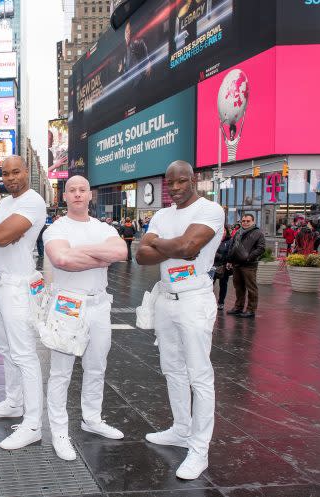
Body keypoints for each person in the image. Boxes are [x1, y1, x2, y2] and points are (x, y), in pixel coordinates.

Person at [135, 160, 224, 480]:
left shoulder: (210, 210)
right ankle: (181, 428)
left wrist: (157, 243)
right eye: (169, 183)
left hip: (194, 300)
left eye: (181, 181)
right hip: (166, 299)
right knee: (171, 368)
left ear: (194, 179)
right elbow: (141, 256)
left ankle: (199, 449)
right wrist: (167, 247)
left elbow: (189, 247)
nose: (174, 188)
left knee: (199, 376)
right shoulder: (161, 214)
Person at [44, 176, 128, 461]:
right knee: (60, 372)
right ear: (64, 196)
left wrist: (80, 252)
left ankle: (91, 418)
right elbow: (62, 260)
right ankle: (58, 431)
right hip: (68, 303)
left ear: (90, 195)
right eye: (72, 191)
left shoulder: (103, 227)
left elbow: (121, 251)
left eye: (82, 190)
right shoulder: (56, 228)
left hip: (99, 304)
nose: (78, 195)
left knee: (96, 367)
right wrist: (101, 258)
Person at [0, 155, 47, 450]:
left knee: (24, 354)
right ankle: (13, 402)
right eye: (6, 174)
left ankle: (33, 424)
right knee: (5, 350)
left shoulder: (33, 201)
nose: (11, 178)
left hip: (19, 287)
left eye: (16, 172)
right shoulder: (5, 204)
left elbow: (0, 237)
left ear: (26, 172)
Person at [226, 213, 265, 319]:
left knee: (251, 288)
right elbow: (232, 246)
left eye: (248, 221)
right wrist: (229, 260)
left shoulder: (258, 233)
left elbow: (261, 248)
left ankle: (251, 310)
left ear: (253, 222)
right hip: (236, 264)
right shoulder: (238, 232)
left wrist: (249, 257)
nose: (245, 223)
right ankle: (238, 307)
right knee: (238, 287)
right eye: (243, 221)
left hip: (249, 265)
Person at [213, 226, 232, 310]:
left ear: (226, 231)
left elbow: (230, 254)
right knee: (209, 285)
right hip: (212, 267)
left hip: (223, 267)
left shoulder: (229, 241)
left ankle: (221, 302)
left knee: (223, 285)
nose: (222, 232)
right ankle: (210, 302)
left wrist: (219, 255)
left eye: (223, 230)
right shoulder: (212, 240)